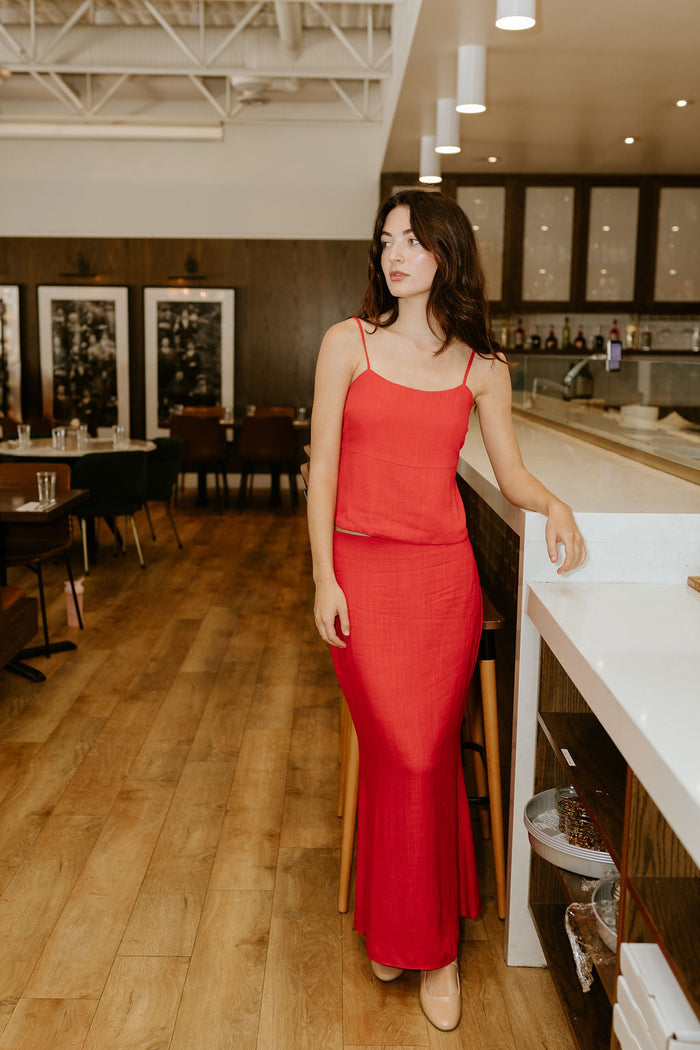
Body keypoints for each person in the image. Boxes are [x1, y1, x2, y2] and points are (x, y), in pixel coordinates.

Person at [307, 189, 586, 1032]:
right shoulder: (345, 344)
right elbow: (320, 470)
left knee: (425, 758)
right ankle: (405, 925)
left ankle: (430, 950)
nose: (396, 255)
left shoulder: (481, 368)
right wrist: (323, 576)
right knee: (401, 756)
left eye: (414, 242)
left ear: (446, 255)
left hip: (441, 584)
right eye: (386, 241)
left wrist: (556, 506)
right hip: (360, 573)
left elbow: (509, 475)